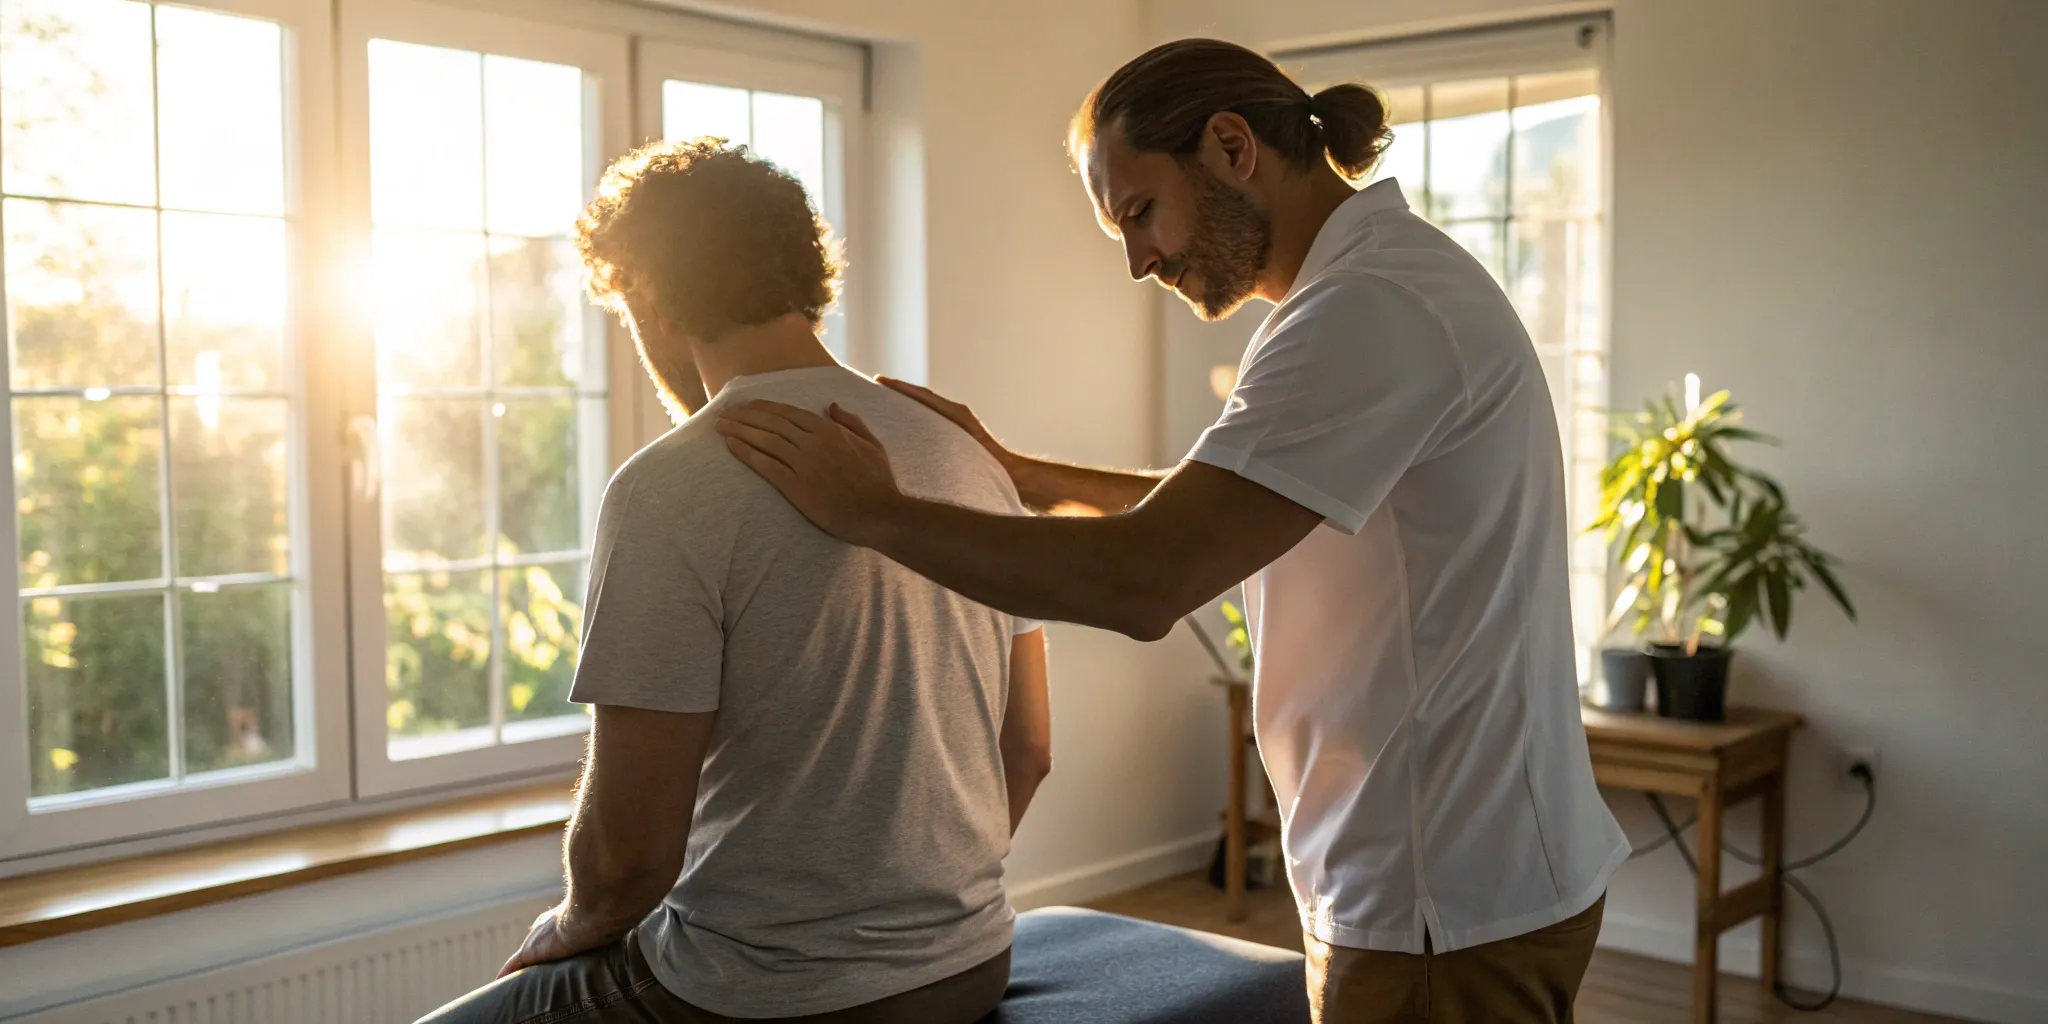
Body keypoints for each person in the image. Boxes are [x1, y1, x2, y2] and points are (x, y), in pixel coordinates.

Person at [715, 39, 1629, 1024]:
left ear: (1231, 147)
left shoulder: (1366, 309)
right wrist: (1027, 477)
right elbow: (1233, 499)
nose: (1136, 261)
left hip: (1439, 896)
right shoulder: (1364, 287)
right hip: (1446, 874)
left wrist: (874, 513)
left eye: (1139, 212)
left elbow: (1145, 579)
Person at [417, 139, 1052, 1024]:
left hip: (763, 996)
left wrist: (569, 923)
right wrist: (914, 916)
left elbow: (629, 861)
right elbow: (1029, 750)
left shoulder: (671, 484)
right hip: (970, 962)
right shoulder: (966, 455)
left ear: (645, 294)